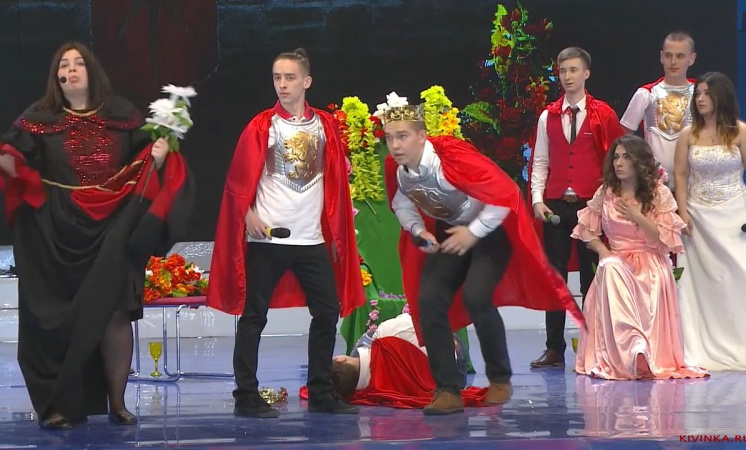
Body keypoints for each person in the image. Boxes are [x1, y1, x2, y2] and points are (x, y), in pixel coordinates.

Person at [0, 42, 194, 429]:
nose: (70, 70)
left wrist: (161, 152)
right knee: (55, 319)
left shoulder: (123, 115)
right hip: (58, 234)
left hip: (114, 229)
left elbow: (147, 164)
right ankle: (57, 405)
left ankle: (118, 403)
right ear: (57, 77)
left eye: (78, 63)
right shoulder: (39, 119)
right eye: (63, 65)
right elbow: (13, 165)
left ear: (91, 70)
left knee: (116, 312)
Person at [379, 92, 584, 415]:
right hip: (450, 233)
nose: (395, 145)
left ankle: (499, 378)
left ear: (421, 136)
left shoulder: (451, 160)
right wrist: (419, 231)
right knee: (429, 300)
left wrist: (472, 233)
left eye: (402, 136)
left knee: (477, 297)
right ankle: (447, 390)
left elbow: (503, 197)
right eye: (390, 138)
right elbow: (402, 204)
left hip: (489, 232)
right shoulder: (399, 170)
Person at [207, 48, 365, 418]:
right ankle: (246, 395)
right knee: (254, 317)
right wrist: (247, 212)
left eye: (290, 77)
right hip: (268, 239)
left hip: (311, 239)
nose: (282, 84)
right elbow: (237, 180)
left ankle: (321, 390)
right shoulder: (262, 126)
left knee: (327, 312)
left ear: (306, 81)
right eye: (277, 77)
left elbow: (335, 181)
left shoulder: (326, 126)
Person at [572, 135, 709, 380]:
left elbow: (666, 237)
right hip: (616, 261)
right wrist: (603, 251)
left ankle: (643, 353)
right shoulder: (607, 192)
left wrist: (637, 216)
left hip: (649, 262)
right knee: (610, 267)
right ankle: (629, 352)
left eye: (626, 157)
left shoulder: (658, 193)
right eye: (616, 157)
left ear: (639, 161)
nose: (619, 163)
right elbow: (586, 230)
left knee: (615, 269)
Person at [528, 47, 624, 368]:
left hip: (590, 206)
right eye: (562, 71)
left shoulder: (603, 114)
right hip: (556, 206)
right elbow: (540, 160)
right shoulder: (548, 116)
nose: (567, 76)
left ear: (586, 73)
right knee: (554, 279)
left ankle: (594, 346)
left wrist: (606, 203)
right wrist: (537, 199)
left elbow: (615, 162)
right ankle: (554, 348)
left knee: (590, 279)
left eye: (573, 70)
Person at [673, 72, 746, 370]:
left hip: (736, 213)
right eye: (698, 94)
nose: (700, 99)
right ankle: (702, 346)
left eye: (706, 93)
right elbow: (680, 175)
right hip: (698, 218)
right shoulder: (688, 135)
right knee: (702, 284)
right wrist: (682, 211)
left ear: (721, 96)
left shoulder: (740, 132)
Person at [325, 312, 489, 408]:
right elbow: (420, 320)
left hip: (453, 379)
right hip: (453, 358)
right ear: (340, 359)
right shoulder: (386, 333)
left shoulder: (374, 392)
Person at [620, 31, 698, 191]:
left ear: (692, 58)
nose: (673, 62)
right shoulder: (646, 93)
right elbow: (622, 137)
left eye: (680, 56)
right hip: (654, 185)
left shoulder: (701, 94)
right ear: (661, 57)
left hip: (694, 186)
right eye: (668, 56)